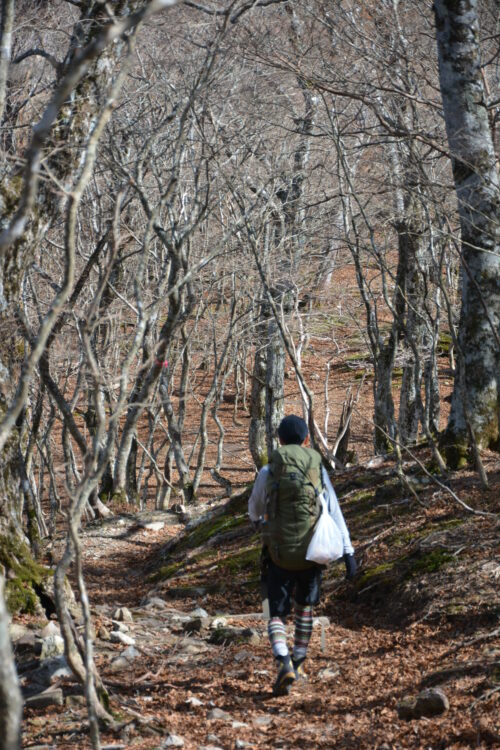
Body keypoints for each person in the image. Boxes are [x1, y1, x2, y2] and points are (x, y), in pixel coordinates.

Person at [248, 414, 357, 696]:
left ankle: (282, 660)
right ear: (307, 439)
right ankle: (297, 662)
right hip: (312, 552)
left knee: (276, 613)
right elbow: (333, 509)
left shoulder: (268, 470)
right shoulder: (316, 468)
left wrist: (259, 521)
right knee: (304, 609)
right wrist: (348, 552)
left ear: (280, 441)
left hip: (278, 554)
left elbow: (254, 509)